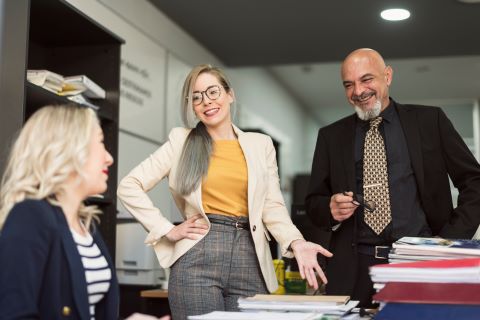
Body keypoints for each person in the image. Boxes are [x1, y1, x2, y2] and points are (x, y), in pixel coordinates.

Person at [117, 64, 333, 319]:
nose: (206, 102)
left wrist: (296, 242)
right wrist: (167, 229)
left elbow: (272, 205)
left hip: (250, 256)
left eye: (213, 92)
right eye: (196, 97)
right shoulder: (182, 141)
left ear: (230, 94)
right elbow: (129, 185)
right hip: (197, 256)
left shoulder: (260, 144)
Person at [305, 48, 480, 307]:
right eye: (349, 85)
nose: (358, 91)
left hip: (420, 261)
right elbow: (313, 203)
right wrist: (330, 208)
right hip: (354, 269)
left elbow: (474, 182)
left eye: (367, 80)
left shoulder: (430, 121)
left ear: (387, 76)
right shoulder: (331, 136)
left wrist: (449, 240)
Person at [0, 105, 170, 320]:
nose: (109, 158)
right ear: (69, 149)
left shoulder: (86, 225)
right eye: (100, 142)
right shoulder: (30, 216)